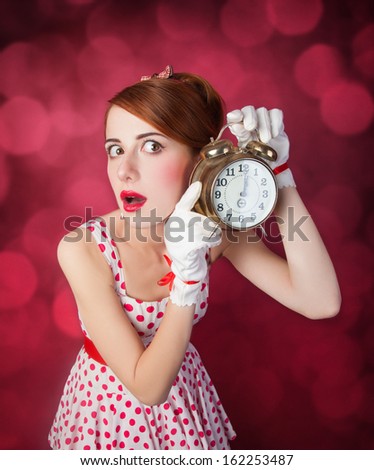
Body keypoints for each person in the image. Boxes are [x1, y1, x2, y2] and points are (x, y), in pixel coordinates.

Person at [48, 65, 341, 450]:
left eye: (152, 146)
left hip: (184, 403)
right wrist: (186, 282)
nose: (124, 171)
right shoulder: (84, 247)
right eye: (115, 149)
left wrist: (279, 175)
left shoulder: (215, 229)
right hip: (108, 413)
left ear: (200, 157)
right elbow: (146, 387)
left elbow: (320, 302)